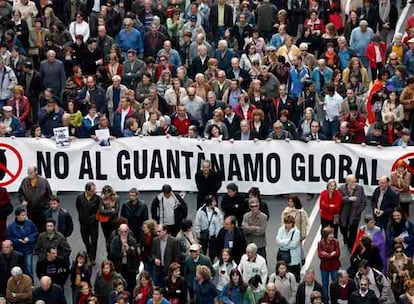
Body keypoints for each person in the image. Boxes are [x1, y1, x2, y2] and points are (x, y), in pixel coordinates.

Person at [17, 165, 52, 232]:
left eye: (31, 173)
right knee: (32, 227)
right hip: (30, 209)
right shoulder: (25, 181)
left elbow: (49, 195)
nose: (29, 175)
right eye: (28, 173)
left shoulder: (43, 181)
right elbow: (20, 193)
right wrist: (22, 200)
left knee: (42, 227)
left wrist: (47, 206)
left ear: (36, 172)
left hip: (42, 209)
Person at [6, 207, 37, 279]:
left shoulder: (30, 223)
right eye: (22, 215)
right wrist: (17, 240)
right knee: (18, 267)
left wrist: (29, 238)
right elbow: (8, 238)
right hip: (17, 249)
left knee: (28, 266)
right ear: (17, 216)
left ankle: (30, 282)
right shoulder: (11, 227)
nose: (25, 217)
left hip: (28, 249)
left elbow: (35, 232)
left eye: (25, 215)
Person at [338, 175, 367, 251]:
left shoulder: (360, 188)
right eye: (352, 181)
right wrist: (348, 199)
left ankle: (351, 246)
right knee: (343, 228)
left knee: (353, 232)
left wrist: (358, 211)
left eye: (355, 181)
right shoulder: (341, 188)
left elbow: (364, 202)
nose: (354, 183)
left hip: (355, 215)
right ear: (347, 182)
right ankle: (345, 237)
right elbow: (338, 199)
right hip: (344, 214)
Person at [108, 224, 139, 293]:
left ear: (128, 231)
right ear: (119, 231)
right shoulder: (115, 241)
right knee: (119, 287)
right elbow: (112, 255)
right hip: (119, 267)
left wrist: (129, 250)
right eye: (122, 232)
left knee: (131, 287)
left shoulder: (132, 240)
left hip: (130, 268)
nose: (124, 233)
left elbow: (136, 255)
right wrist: (121, 253)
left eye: (125, 231)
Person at [76, 182, 100, 264]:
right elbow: (78, 207)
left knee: (94, 240)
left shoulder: (97, 198)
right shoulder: (80, 197)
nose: (94, 192)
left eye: (94, 190)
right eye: (92, 190)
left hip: (93, 223)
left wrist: (94, 217)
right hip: (83, 223)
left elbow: (99, 209)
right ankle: (89, 251)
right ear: (87, 191)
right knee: (85, 239)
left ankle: (92, 257)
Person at [194, 195, 223, 262]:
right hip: (204, 234)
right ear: (209, 203)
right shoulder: (201, 211)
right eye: (214, 201)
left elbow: (220, 221)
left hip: (213, 234)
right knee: (203, 249)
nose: (215, 203)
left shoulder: (217, 210)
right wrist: (198, 234)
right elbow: (197, 223)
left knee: (212, 251)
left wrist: (218, 234)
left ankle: (211, 261)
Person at [280, 196, 308, 265]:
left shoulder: (301, 212)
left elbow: (303, 223)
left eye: (291, 202)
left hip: (297, 233)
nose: (289, 203)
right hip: (288, 232)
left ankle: (301, 258)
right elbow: (283, 222)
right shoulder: (286, 211)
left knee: (299, 247)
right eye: (288, 201)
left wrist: (303, 234)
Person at [317, 226, 341, 303]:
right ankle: (326, 300)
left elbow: (337, 254)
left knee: (335, 283)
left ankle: (335, 299)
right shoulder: (320, 243)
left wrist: (326, 255)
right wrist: (331, 255)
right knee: (325, 284)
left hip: (334, 266)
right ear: (325, 235)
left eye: (332, 234)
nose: (332, 235)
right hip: (324, 267)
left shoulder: (336, 242)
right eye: (330, 234)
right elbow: (320, 255)